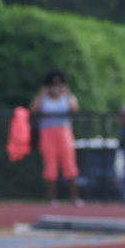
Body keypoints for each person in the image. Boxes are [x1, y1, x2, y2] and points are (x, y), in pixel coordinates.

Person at [30, 71, 81, 207]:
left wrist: (68, 93)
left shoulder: (66, 97)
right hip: (47, 133)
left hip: (64, 132)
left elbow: (75, 108)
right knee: (50, 165)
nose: (56, 87)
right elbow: (34, 108)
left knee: (69, 164)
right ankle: (52, 199)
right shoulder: (44, 98)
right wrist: (42, 93)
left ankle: (74, 197)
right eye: (53, 84)